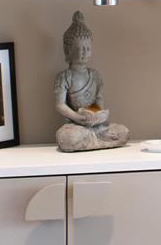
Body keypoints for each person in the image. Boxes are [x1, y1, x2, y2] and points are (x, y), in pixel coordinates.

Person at [53, 11, 129, 152]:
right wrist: (77, 117)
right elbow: (59, 104)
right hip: (75, 125)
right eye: (80, 48)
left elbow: (98, 103)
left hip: (95, 125)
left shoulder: (95, 75)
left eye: (88, 48)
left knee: (123, 132)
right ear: (67, 50)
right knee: (67, 138)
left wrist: (96, 116)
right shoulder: (64, 76)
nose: (84, 52)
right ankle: (92, 139)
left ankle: (92, 138)